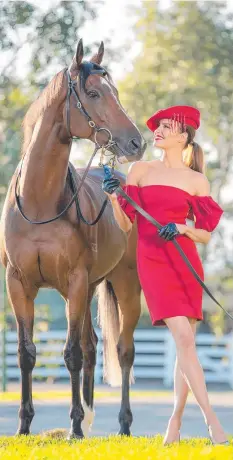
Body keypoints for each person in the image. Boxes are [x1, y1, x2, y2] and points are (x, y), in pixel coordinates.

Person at [102, 105, 229, 446]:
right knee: (186, 341)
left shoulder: (196, 180)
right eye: (157, 126)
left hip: (185, 262)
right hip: (153, 260)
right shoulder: (140, 170)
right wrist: (115, 195)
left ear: (184, 135)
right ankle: (212, 422)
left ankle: (174, 422)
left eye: (166, 126)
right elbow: (128, 223)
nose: (157, 130)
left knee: (184, 344)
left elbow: (204, 233)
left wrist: (181, 228)